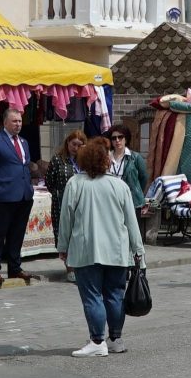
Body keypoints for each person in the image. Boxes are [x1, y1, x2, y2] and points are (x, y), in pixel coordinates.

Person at [57, 137, 145, 357]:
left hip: (86, 250)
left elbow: (65, 218)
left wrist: (63, 246)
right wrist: (139, 252)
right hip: (117, 250)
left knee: (92, 296)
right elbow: (131, 223)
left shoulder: (75, 183)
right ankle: (115, 339)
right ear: (106, 161)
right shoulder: (120, 185)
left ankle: (97, 341)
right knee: (115, 295)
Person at [0, 108, 34, 284]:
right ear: (5, 123)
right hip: (4, 194)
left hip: (24, 194)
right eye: (14, 121)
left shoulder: (24, 142)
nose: (18, 124)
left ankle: (15, 268)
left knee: (17, 234)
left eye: (19, 121)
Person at [45, 130, 87, 283]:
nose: (75, 148)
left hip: (82, 203)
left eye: (79, 145)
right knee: (65, 234)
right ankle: (69, 267)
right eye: (73, 144)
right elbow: (49, 181)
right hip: (61, 203)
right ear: (67, 143)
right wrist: (59, 194)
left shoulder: (86, 161)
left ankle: (80, 266)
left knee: (80, 234)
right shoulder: (58, 160)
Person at [105, 125, 148, 236]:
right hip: (111, 201)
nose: (117, 140)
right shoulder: (106, 157)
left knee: (133, 233)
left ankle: (136, 253)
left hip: (132, 201)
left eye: (120, 137)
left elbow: (143, 178)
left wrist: (136, 191)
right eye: (114, 138)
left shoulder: (135, 157)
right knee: (113, 234)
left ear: (126, 139)